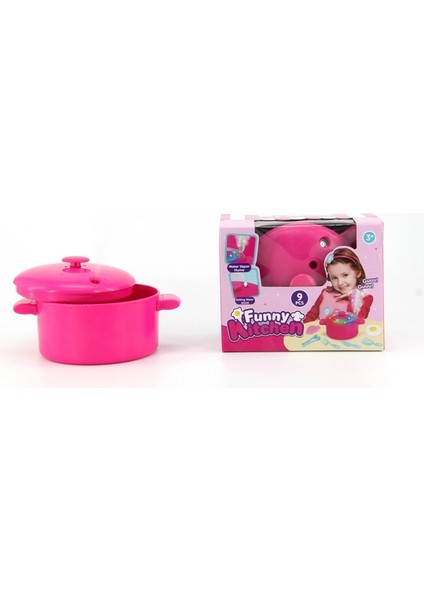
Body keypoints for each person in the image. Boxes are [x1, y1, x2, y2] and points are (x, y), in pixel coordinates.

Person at [304, 248, 373, 323]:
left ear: (358, 272)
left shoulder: (364, 298)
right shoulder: (325, 293)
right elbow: (310, 316)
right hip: (319, 330)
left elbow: (357, 321)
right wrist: (305, 328)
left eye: (345, 275)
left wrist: (352, 297)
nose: (340, 283)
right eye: (334, 278)